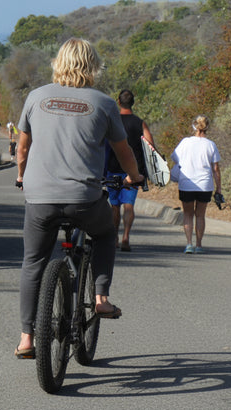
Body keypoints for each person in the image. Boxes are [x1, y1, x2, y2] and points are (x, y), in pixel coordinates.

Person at [15, 38, 144, 359]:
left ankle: (27, 338)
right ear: (93, 66)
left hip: (40, 198)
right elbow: (123, 150)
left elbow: (22, 149)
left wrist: (21, 176)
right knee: (105, 233)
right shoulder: (103, 103)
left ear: (58, 62)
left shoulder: (36, 97)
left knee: (33, 262)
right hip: (84, 198)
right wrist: (135, 176)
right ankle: (100, 299)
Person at [105, 89, 154, 252]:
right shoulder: (140, 123)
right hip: (133, 171)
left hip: (113, 168)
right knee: (129, 205)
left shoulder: (112, 122)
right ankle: (126, 236)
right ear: (133, 103)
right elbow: (150, 145)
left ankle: (115, 238)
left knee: (114, 206)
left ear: (118, 102)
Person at [171, 114, 221, 254]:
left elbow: (175, 158)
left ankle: (189, 244)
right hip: (205, 184)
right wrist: (219, 188)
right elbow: (216, 169)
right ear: (207, 127)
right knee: (200, 215)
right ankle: (199, 245)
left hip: (186, 183)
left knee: (188, 214)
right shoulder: (211, 145)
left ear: (194, 126)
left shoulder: (185, 142)